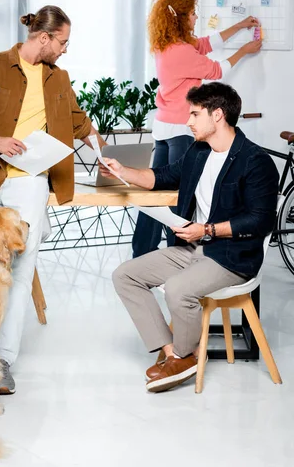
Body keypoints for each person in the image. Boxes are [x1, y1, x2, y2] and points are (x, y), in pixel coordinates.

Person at [0, 5, 106, 394]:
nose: (66, 50)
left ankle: (2, 361)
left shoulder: (59, 78)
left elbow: (79, 122)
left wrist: (102, 151)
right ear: (43, 38)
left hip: (30, 182)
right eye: (63, 42)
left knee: (20, 270)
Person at [100, 82, 278, 393]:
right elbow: (161, 177)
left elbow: (260, 220)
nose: (188, 121)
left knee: (178, 289)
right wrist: (122, 171)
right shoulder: (198, 152)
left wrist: (206, 229)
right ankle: (175, 355)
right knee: (125, 275)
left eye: (195, 114)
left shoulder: (254, 160)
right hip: (192, 247)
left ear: (218, 115)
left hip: (232, 257)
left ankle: (183, 356)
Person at [132, 0, 262, 257]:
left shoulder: (167, 45)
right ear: (181, 18)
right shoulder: (181, 51)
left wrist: (238, 26)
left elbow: (204, 43)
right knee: (181, 197)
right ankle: (176, 254)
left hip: (164, 128)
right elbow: (216, 70)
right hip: (181, 130)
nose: (196, 17)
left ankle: (142, 253)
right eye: (192, 13)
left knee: (154, 192)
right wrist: (245, 50)